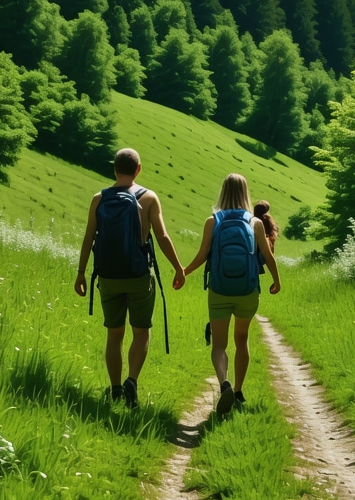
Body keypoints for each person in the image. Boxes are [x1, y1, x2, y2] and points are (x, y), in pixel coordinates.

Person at [74, 148, 185, 408]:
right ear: (138, 169)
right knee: (141, 332)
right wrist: (179, 268)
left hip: (108, 277)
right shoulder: (148, 198)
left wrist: (81, 273)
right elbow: (162, 237)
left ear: (114, 169)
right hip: (138, 276)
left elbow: (88, 238)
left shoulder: (99, 199)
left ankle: (114, 389)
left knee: (114, 335)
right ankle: (131, 381)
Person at [182, 173, 280, 413]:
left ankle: (223, 382)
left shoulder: (212, 221)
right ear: (245, 193)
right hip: (247, 290)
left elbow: (202, 255)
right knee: (242, 339)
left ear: (223, 191)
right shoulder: (255, 223)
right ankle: (237, 391)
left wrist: (183, 272)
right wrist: (277, 281)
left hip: (220, 289)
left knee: (219, 344)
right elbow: (268, 257)